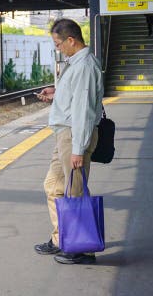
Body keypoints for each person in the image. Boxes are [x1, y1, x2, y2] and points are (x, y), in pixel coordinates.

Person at [34, 19, 103, 265]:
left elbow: (83, 109)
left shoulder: (83, 65)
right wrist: (57, 93)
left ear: (71, 40)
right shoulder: (77, 63)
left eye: (58, 43)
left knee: (75, 192)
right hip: (64, 135)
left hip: (74, 136)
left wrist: (78, 149)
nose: (58, 48)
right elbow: (75, 98)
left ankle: (83, 248)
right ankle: (61, 239)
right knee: (53, 186)